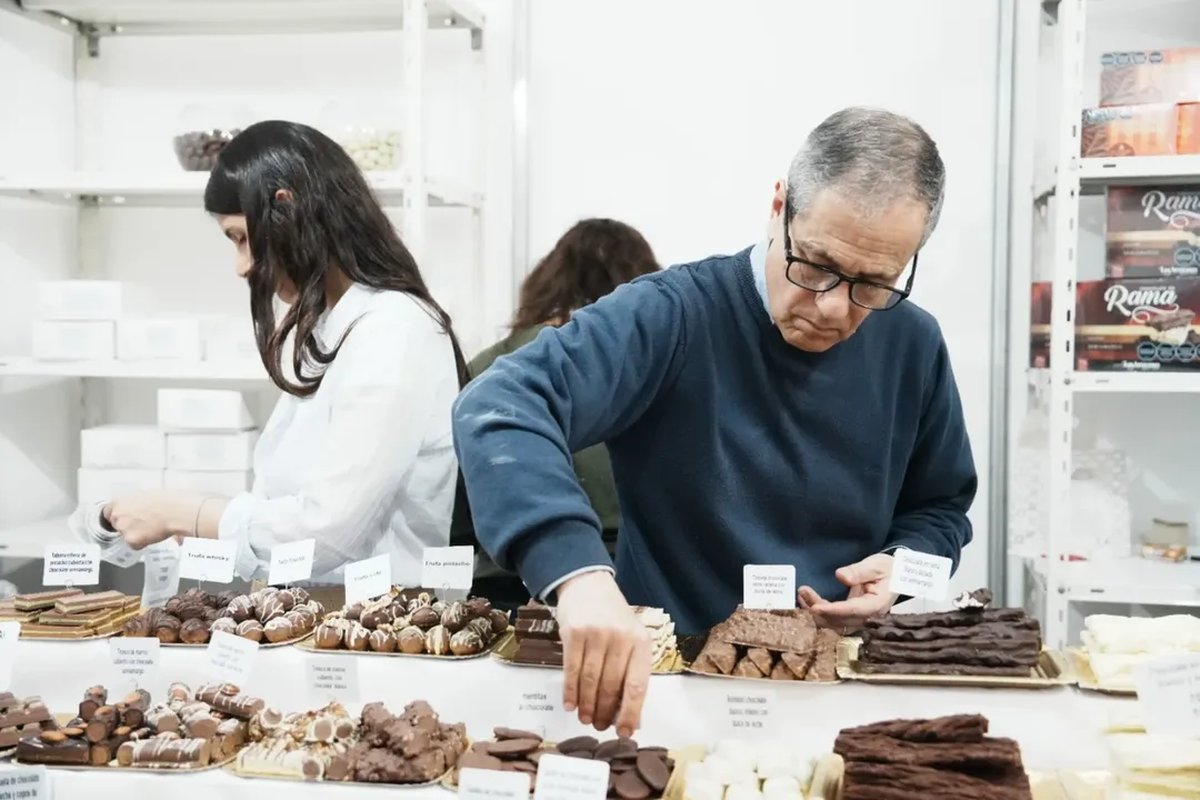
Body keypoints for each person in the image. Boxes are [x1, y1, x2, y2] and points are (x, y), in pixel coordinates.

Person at [451, 107, 977, 738]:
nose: (834, 308)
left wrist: (903, 569)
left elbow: (942, 510)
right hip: (671, 694)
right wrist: (577, 575)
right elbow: (502, 402)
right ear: (779, 206)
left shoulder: (913, 343)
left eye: (874, 283)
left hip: (834, 690)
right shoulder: (674, 316)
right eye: (815, 265)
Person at [69, 120, 468, 596]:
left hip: (376, 620)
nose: (242, 267)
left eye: (242, 237)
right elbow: (289, 508)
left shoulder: (393, 329)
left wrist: (184, 512)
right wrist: (178, 521)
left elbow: (328, 534)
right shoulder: (333, 325)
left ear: (287, 209)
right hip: (314, 612)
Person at [451, 218, 661, 609]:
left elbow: (462, 514)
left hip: (504, 580)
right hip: (623, 580)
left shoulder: (490, 365)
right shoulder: (645, 363)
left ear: (548, 277)